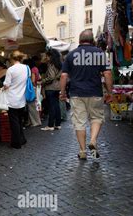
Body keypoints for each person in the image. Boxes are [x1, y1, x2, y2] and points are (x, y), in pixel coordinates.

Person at [60, 29, 113, 160]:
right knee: (96, 118)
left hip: (76, 93)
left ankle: (82, 151)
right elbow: (107, 73)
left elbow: (63, 75)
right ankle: (93, 140)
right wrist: (110, 92)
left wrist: (62, 93)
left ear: (79, 40)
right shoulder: (100, 53)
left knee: (79, 122)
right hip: (95, 92)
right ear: (92, 41)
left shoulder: (71, 55)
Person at [3, 51, 28, 149]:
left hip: (12, 99)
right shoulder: (26, 68)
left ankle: (16, 143)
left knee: (14, 123)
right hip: (22, 98)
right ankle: (22, 139)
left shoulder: (10, 70)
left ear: (12, 59)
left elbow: (6, 84)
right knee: (19, 121)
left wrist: (3, 87)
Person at [40, 48, 63, 131]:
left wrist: (42, 81)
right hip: (57, 87)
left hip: (50, 87)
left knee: (51, 107)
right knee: (56, 105)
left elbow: (51, 77)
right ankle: (58, 124)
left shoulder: (51, 64)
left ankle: (50, 125)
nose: (47, 58)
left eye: (47, 56)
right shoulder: (59, 64)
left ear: (50, 56)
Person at [23, 58, 42, 127]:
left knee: (32, 106)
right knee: (33, 106)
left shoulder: (32, 70)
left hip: (32, 89)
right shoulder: (36, 68)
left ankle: (36, 122)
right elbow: (39, 78)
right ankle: (31, 121)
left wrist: (32, 87)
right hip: (36, 88)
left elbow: (33, 80)